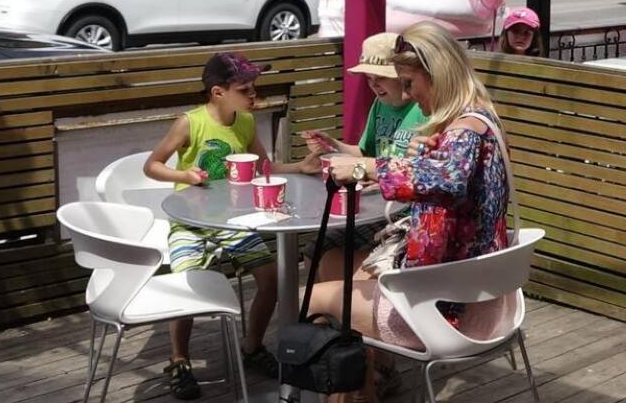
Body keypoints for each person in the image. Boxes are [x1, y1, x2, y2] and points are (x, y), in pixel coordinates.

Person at [314, 23, 513, 403]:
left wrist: (364, 169)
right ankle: (373, 381)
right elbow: (457, 186)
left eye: (409, 83)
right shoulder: (480, 117)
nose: (406, 94)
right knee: (333, 262)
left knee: (315, 301)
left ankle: (357, 392)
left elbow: (451, 181)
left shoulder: (464, 131)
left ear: (437, 74)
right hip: (467, 283)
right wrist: (425, 155)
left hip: (443, 302)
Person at [144, 53, 319, 399]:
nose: (254, 96)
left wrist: (301, 166)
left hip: (234, 221)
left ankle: (251, 347)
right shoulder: (189, 123)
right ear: (218, 92)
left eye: (254, 88)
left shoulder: (246, 123)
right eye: (245, 89)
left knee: (271, 278)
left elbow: (265, 167)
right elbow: (152, 165)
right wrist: (184, 175)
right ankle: (179, 359)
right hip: (191, 222)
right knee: (185, 285)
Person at [303, 33, 428, 281]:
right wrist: (334, 145)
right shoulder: (380, 104)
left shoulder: (424, 108)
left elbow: (417, 173)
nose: (373, 85)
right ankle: (325, 316)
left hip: (402, 213)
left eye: (380, 77)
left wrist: (364, 170)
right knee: (313, 251)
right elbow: (364, 152)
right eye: (369, 79)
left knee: (340, 266)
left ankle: (336, 312)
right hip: (374, 206)